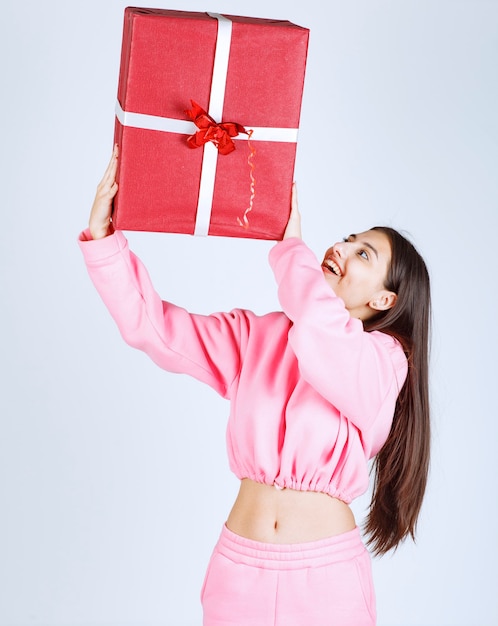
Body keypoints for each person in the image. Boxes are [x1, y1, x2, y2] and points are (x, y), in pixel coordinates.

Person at [78, 146, 431, 626]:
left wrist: (290, 252)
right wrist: (105, 241)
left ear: (384, 298)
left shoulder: (383, 365)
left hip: (326, 581)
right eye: (348, 239)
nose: (341, 248)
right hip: (237, 575)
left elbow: (323, 336)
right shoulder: (257, 337)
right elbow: (154, 327)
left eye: (362, 253)